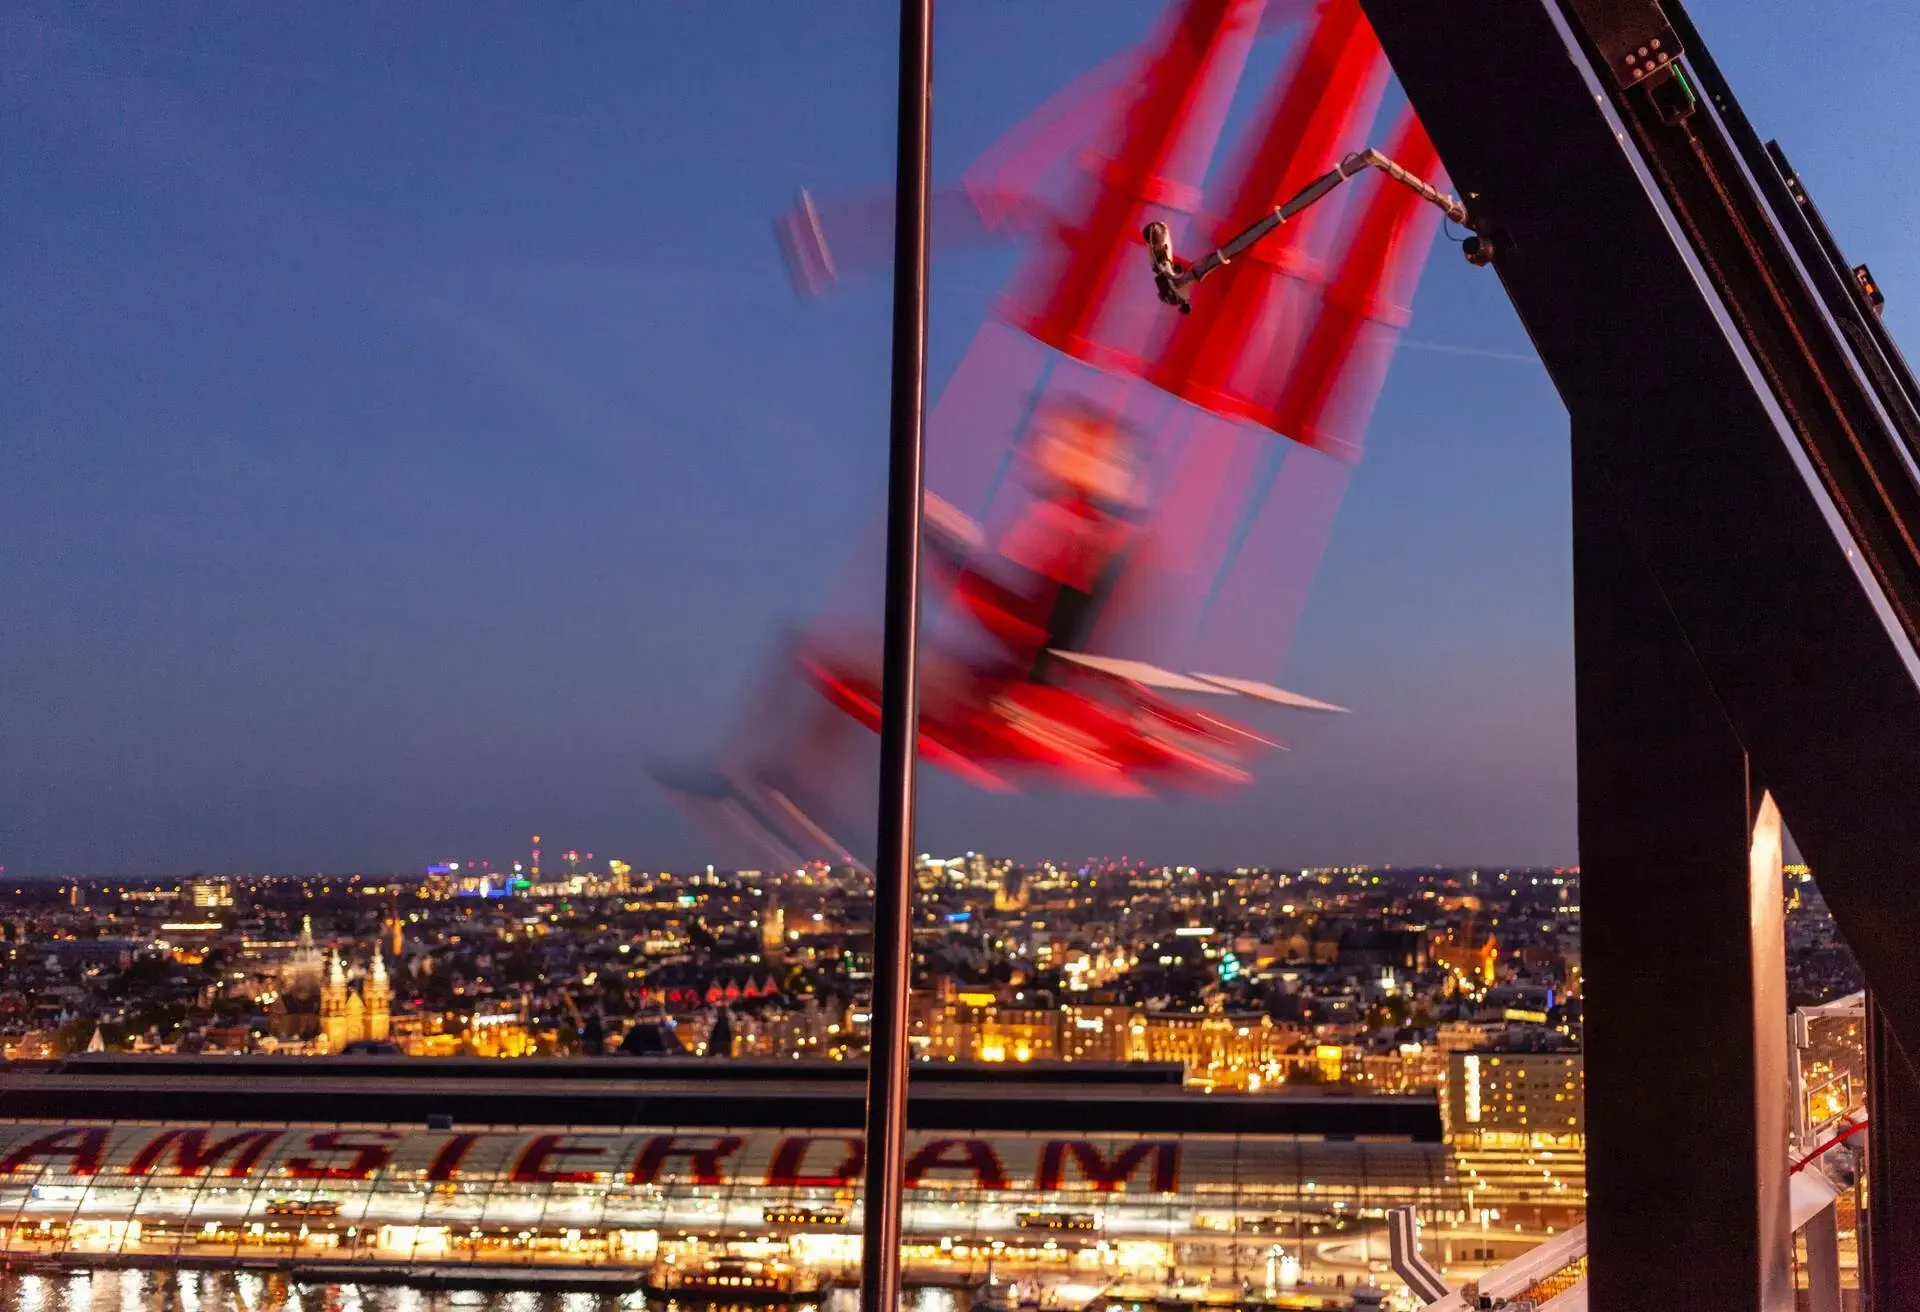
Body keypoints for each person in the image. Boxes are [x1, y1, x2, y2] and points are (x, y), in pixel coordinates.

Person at [930, 397, 1147, 687]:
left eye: (1063, 442)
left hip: (1037, 691)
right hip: (1038, 684)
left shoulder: (1079, 530)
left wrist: (954, 569)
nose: (1034, 449)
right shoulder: (1093, 530)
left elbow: (1039, 637)